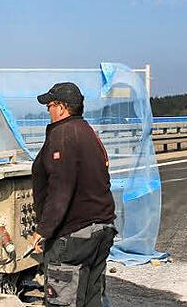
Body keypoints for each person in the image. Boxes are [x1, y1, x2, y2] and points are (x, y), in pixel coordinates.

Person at [29, 82, 117, 307]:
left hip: (74, 235)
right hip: (101, 230)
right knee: (91, 299)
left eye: (49, 105)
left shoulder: (63, 135)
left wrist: (43, 230)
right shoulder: (87, 131)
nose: (47, 111)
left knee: (63, 300)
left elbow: (61, 189)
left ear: (61, 107)